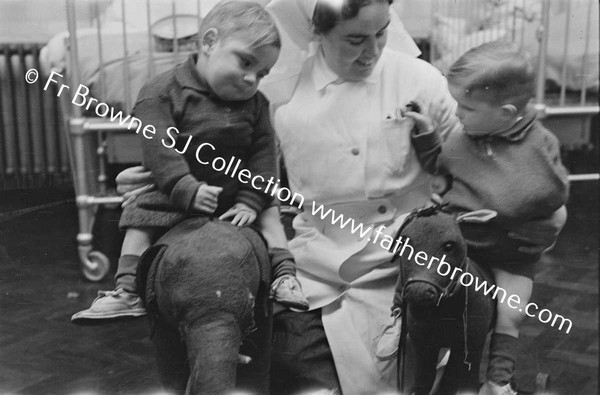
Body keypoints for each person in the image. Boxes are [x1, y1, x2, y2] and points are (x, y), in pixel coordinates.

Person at [116, 0, 568, 393]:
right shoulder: (280, 93)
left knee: (447, 317)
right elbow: (231, 160)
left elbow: (491, 146)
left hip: (411, 248)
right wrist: (154, 178)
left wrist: (542, 208)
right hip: (322, 258)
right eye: (355, 39)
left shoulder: (422, 80)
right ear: (319, 33)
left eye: (382, 32)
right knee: (289, 357)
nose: (372, 51)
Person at [71, 1, 309, 324]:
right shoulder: (161, 92)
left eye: (262, 73)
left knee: (270, 212)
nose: (252, 79)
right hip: (176, 189)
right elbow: (160, 149)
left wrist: (251, 201)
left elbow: (264, 157)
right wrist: (186, 189)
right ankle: (127, 289)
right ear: (209, 42)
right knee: (140, 214)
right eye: (245, 62)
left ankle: (284, 275)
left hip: (236, 191)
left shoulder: (256, 104)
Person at [404, 41, 569, 394]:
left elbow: (548, 191)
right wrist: (425, 134)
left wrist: (499, 207)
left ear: (506, 113)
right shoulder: (467, 137)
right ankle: (428, 371)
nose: (458, 114)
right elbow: (442, 164)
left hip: (512, 255)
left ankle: (498, 382)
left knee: (511, 313)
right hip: (467, 247)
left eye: (467, 107)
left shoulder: (540, 145)